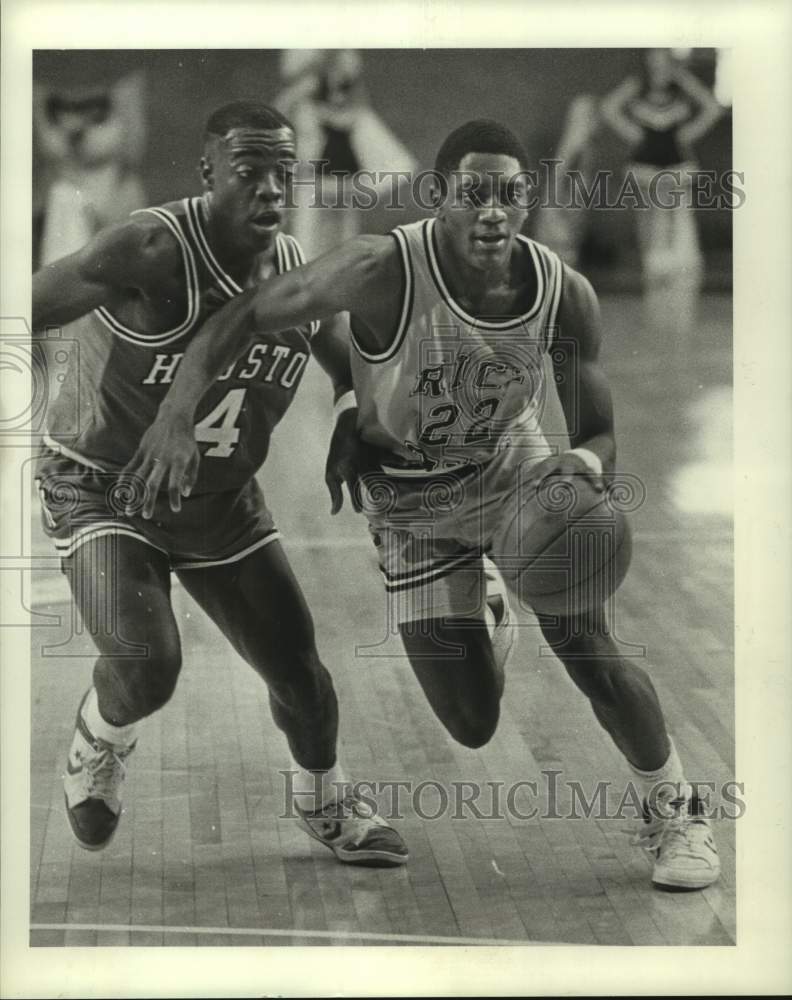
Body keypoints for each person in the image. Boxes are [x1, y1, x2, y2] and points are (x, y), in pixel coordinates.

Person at [126, 118, 721, 891]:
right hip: (409, 503)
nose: (493, 210)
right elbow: (244, 314)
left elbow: (600, 431)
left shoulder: (561, 293)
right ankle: (493, 606)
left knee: (588, 642)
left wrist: (575, 468)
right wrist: (179, 414)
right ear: (439, 195)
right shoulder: (380, 269)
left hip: (514, 474)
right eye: (474, 192)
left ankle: (677, 811)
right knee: (471, 724)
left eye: (510, 192)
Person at [32, 100, 408, 867]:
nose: (272, 189)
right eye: (250, 173)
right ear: (207, 174)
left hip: (219, 502)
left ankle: (323, 801)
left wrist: (347, 407)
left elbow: (341, 344)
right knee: (149, 666)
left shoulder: (297, 267)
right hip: (105, 485)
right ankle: (100, 736)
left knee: (304, 681)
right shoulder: (150, 247)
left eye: (284, 172)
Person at [600, 49, 723, 351]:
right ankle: (655, 281)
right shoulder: (637, 92)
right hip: (645, 166)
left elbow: (712, 108)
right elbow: (609, 107)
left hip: (677, 164)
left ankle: (678, 287)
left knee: (676, 219)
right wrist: (632, 132)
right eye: (653, 63)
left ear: (672, 66)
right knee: (650, 219)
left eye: (665, 63)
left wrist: (686, 83)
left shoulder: (681, 93)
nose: (659, 69)